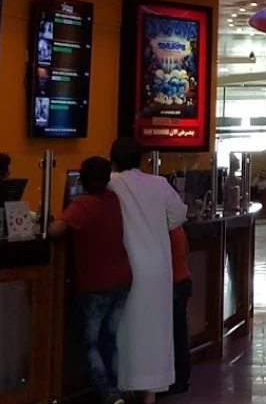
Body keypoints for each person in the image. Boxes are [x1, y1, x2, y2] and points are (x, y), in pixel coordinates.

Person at [108, 138, 188, 402]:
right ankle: (150, 395)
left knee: (126, 331)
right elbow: (177, 215)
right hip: (159, 270)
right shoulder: (159, 183)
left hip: (127, 268)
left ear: (114, 161)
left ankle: (124, 390)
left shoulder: (112, 183)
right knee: (155, 332)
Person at [48, 157, 131, 404]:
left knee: (90, 342)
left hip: (95, 284)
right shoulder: (114, 200)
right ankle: (118, 387)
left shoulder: (82, 206)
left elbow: (54, 231)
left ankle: (108, 394)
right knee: (111, 337)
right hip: (122, 279)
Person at [165, 225, 191, 398]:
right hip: (182, 280)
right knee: (179, 332)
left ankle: (176, 379)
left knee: (174, 333)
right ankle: (181, 379)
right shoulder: (177, 226)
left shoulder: (163, 228)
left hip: (173, 283)